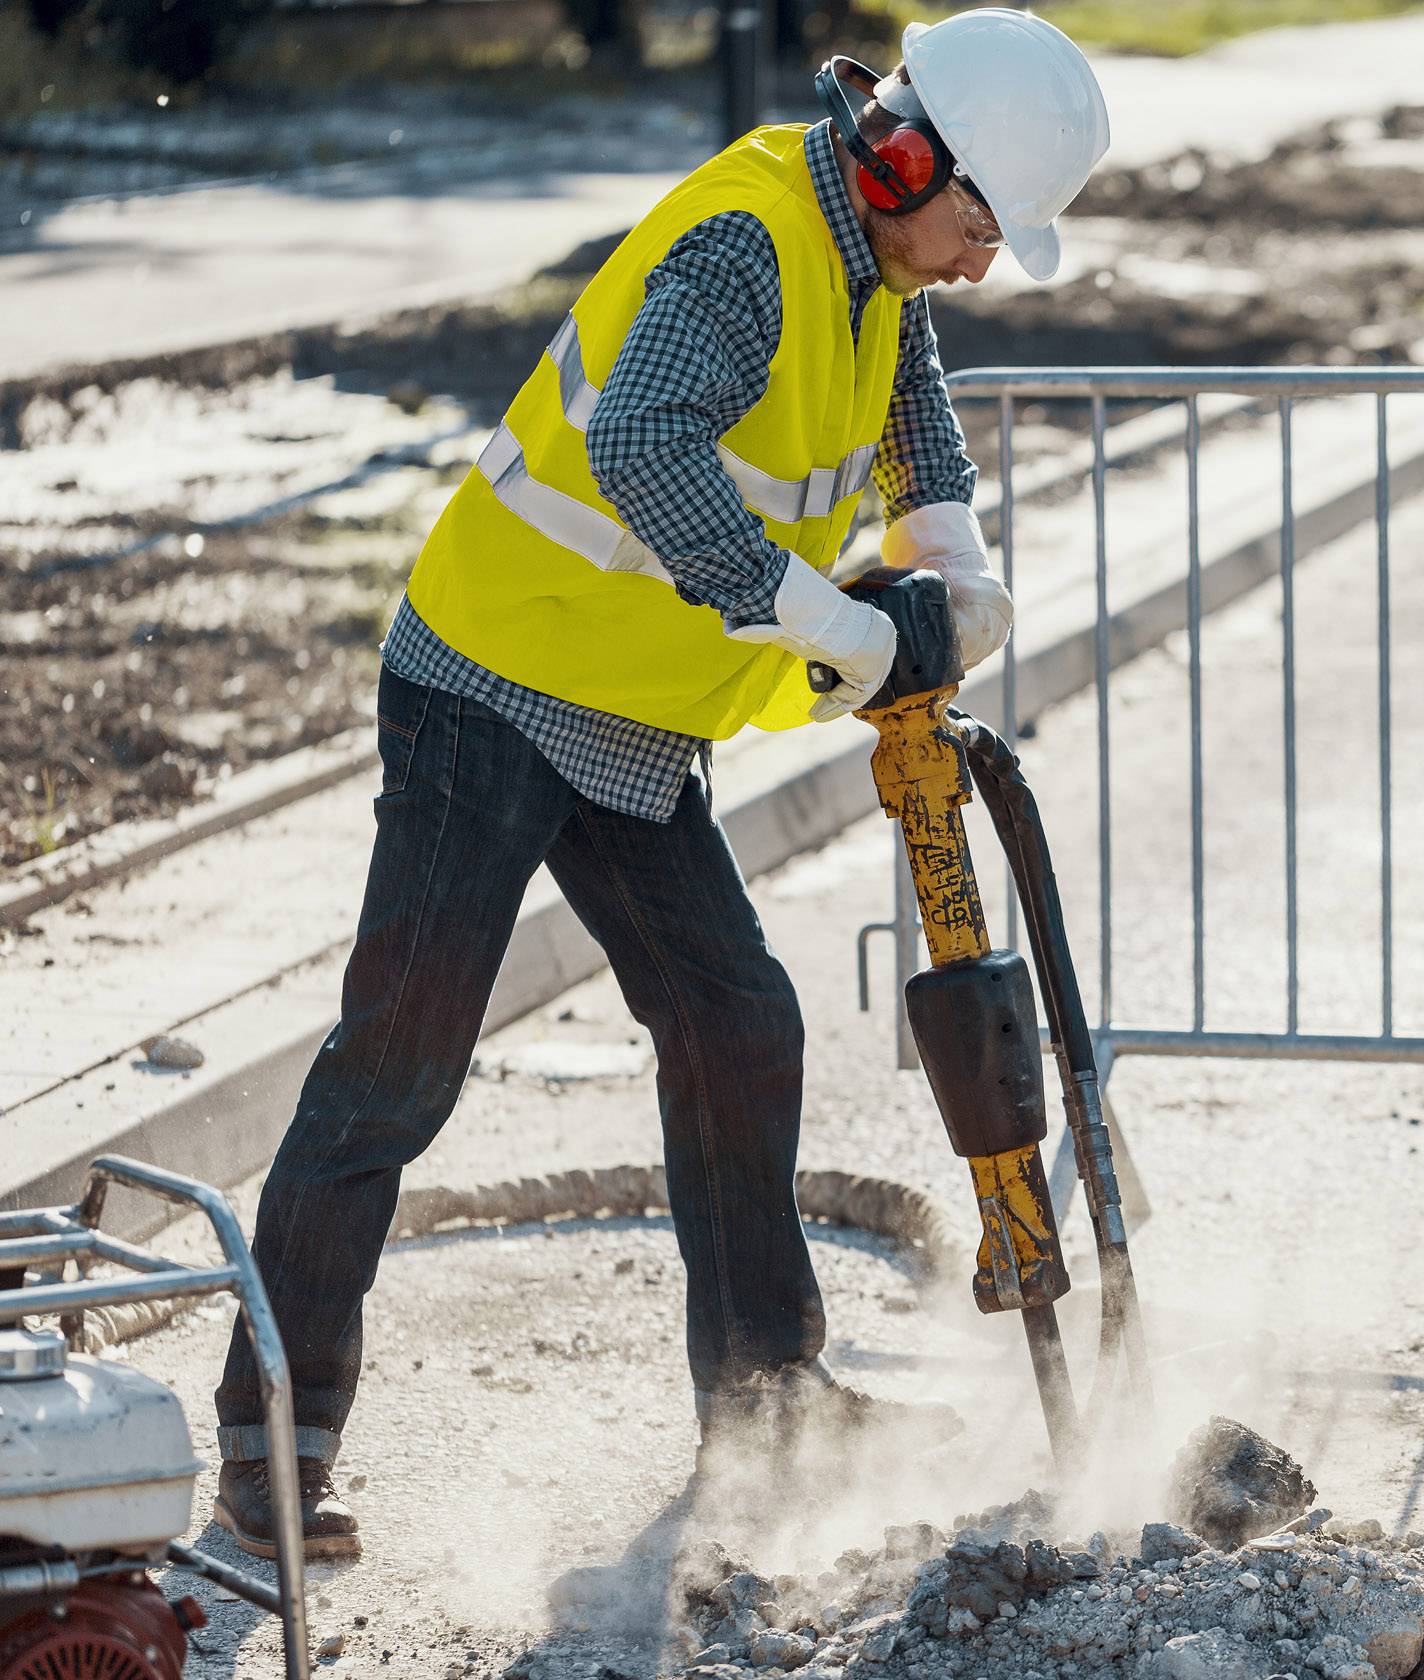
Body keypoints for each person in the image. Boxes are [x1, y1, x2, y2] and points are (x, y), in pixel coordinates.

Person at [207, 8, 1111, 1561]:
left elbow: (910, 411)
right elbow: (640, 445)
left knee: (737, 1023)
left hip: (623, 721)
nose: (977, 259)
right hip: (492, 684)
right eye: (979, 224)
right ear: (906, 159)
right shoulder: (749, 243)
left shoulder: (867, 263)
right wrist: (827, 621)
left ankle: (767, 1403)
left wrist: (953, 563)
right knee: (398, 1065)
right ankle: (272, 1448)